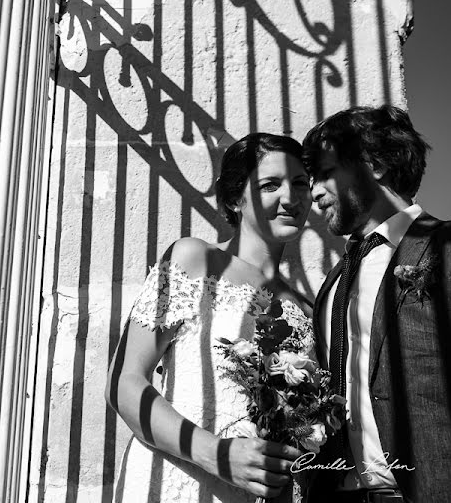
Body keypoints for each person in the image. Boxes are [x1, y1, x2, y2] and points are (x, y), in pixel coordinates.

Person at [107, 133, 312, 502]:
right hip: (175, 478)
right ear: (235, 198)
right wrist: (218, 455)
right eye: (270, 185)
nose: (291, 198)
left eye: (300, 184)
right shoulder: (194, 259)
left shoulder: (307, 309)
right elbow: (124, 383)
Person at [301, 105, 451, 502]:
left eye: (326, 173)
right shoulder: (334, 281)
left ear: (375, 164)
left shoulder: (444, 247)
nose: (314, 192)